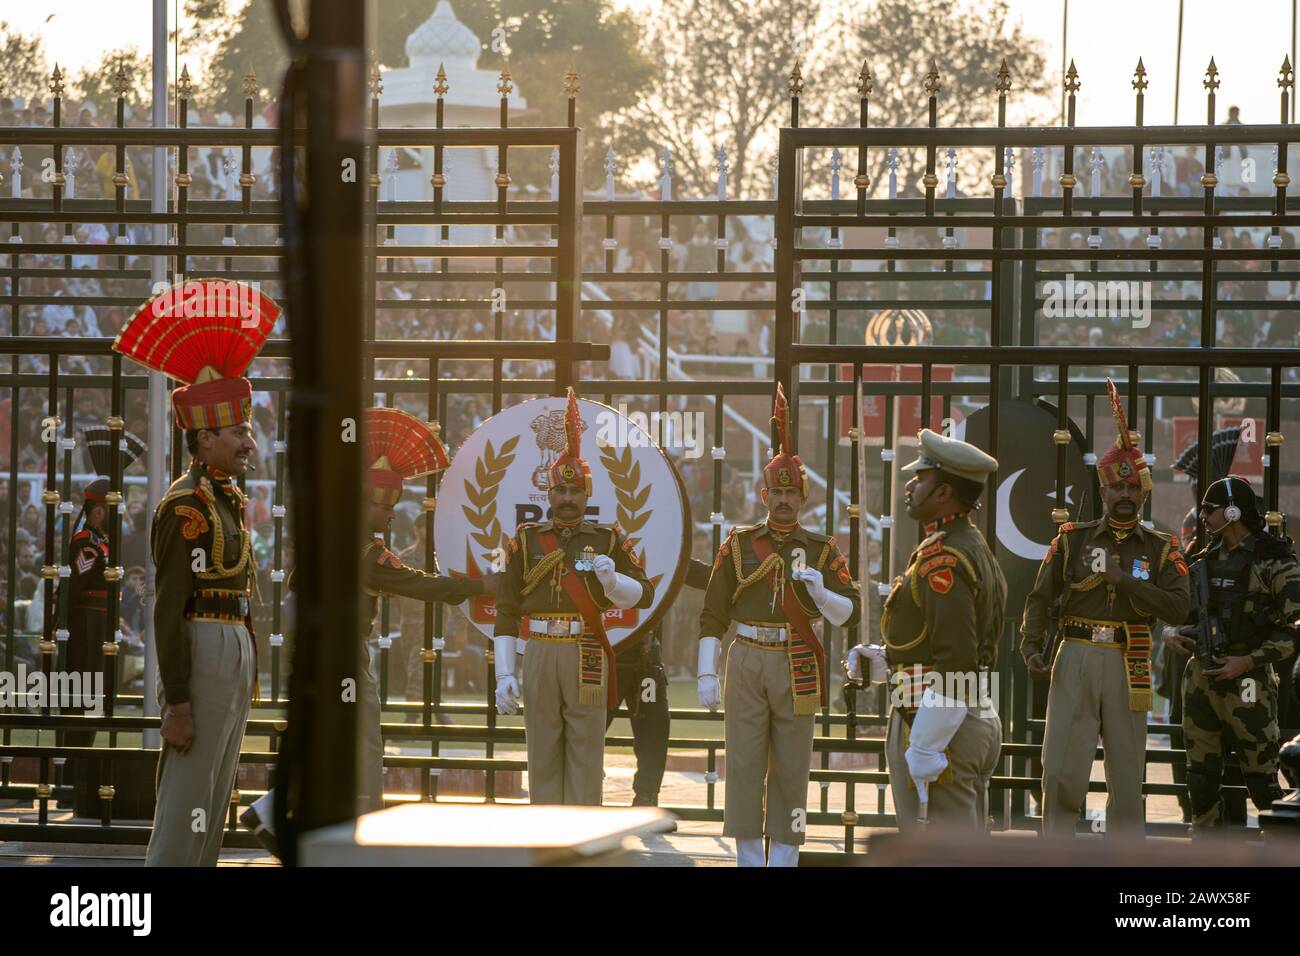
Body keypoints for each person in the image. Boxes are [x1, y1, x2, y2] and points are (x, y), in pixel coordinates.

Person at [241, 406, 492, 857]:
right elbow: (420, 584)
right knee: (366, 749)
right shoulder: (367, 553)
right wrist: (480, 585)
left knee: (331, 746)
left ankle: (271, 810)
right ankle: (366, 837)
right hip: (345, 657)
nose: (391, 514)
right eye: (385, 505)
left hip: (320, 653)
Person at [113, 278, 277, 866]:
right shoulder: (183, 506)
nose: (248, 444)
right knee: (186, 804)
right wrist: (176, 701)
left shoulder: (224, 499)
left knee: (214, 798)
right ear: (204, 437)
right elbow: (167, 607)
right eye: (238, 433)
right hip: (201, 651)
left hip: (232, 649)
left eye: (248, 431)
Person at [696, 384, 860, 866]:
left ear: (803, 495)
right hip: (746, 656)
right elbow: (713, 612)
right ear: (763, 494)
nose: (784, 500)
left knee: (792, 766)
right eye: (777, 491)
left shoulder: (823, 549)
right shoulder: (740, 544)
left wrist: (820, 593)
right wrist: (707, 670)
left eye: (792, 491)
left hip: (797, 659)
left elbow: (849, 612)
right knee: (744, 764)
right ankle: (749, 860)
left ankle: (784, 860)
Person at [1021, 380, 1190, 837]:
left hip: (1128, 659)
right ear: (1104, 489)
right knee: (1059, 774)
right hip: (1074, 653)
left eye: (1132, 490)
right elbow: (1039, 598)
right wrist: (1031, 646)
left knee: (1128, 779)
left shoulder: (1160, 548)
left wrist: (1127, 582)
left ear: (1144, 494)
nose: (1124, 496)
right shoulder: (1072, 539)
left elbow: (1179, 607)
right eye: (1116, 488)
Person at [492, 387, 654, 805]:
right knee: (541, 754)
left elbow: (645, 596)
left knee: (586, 758)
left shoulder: (608, 538)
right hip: (541, 649)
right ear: (549, 494)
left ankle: (581, 850)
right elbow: (507, 609)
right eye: (560, 492)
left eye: (575, 492)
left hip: (586, 650)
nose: (567, 499)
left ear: (587, 495)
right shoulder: (527, 542)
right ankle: (547, 848)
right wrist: (504, 673)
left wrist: (613, 580)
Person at [845, 428, 1005, 833]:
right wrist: (887, 659)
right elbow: (941, 642)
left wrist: (925, 745)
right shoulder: (967, 544)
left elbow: (957, 661)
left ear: (944, 492)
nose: (911, 484)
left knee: (942, 854)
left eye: (922, 477)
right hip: (957, 713)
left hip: (940, 724)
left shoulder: (944, 558)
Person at [1163, 476, 1300, 831]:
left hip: (1249, 684)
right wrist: (1172, 633)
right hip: (1201, 679)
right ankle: (1206, 851)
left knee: (1262, 781)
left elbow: (1295, 627)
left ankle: (1280, 851)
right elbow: (1179, 610)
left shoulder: (1273, 560)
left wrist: (1249, 660)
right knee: (1201, 779)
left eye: (1210, 509)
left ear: (1234, 511)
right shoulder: (1204, 557)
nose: (1204, 516)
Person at [55, 426, 146, 811]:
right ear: (95, 510)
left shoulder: (100, 540)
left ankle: (78, 779)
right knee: (81, 698)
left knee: (94, 700)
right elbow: (83, 576)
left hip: (100, 625)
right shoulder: (85, 541)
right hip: (87, 627)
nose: (114, 514)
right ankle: (69, 781)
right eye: (108, 507)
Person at [606, 557, 711, 808]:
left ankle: (646, 798)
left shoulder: (662, 549)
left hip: (645, 658)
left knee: (654, 729)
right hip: (605, 655)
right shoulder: (604, 543)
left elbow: (706, 576)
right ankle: (582, 799)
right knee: (588, 731)